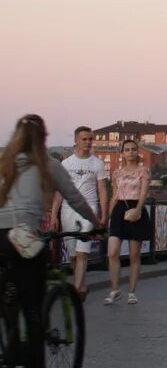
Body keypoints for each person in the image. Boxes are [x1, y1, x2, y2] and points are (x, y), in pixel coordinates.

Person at [0, 115, 98, 368]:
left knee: (8, 298)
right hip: (22, 241)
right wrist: (96, 224)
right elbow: (75, 199)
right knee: (32, 306)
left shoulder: (3, 163)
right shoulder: (48, 165)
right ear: (43, 138)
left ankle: (10, 334)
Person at [51, 125, 107, 298]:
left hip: (88, 209)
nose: (88, 142)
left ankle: (76, 290)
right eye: (84, 139)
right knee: (74, 256)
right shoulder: (66, 163)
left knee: (83, 252)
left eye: (90, 139)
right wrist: (54, 214)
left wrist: (103, 215)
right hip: (68, 210)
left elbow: (102, 190)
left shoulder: (97, 164)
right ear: (76, 140)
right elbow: (60, 190)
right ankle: (81, 286)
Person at [104, 139, 152, 305]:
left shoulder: (143, 171)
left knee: (133, 255)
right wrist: (108, 216)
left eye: (133, 149)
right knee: (113, 252)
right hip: (119, 210)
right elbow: (114, 195)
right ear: (122, 153)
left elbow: (144, 193)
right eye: (127, 150)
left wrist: (138, 210)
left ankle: (132, 291)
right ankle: (115, 289)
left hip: (135, 208)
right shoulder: (117, 173)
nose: (130, 152)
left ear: (137, 152)